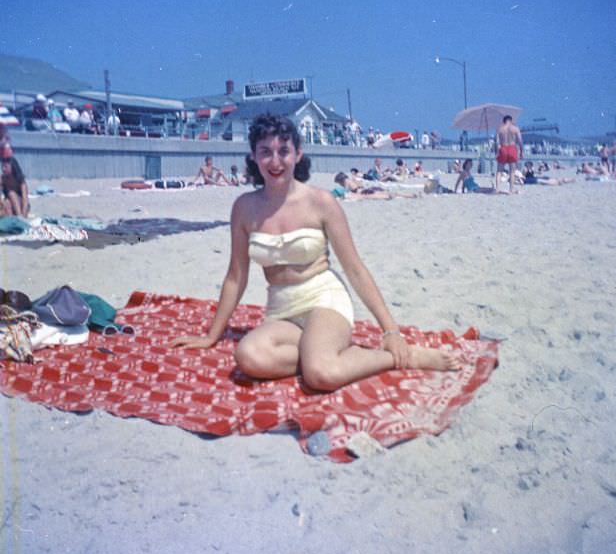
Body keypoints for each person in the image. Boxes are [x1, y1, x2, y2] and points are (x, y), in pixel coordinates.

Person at [171, 114, 459, 390]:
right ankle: (321, 352)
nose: (275, 161)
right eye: (265, 152)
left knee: (321, 375)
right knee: (248, 357)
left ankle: (401, 357)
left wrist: (391, 331)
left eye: (283, 151)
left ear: (298, 154)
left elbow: (355, 270)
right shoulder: (244, 208)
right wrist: (211, 335)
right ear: (253, 157)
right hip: (281, 311)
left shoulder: (321, 203)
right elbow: (236, 276)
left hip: (324, 301)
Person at [495, 115, 524, 193]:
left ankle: (497, 189)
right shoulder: (515, 128)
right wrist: (521, 151)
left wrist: (496, 152)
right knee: (512, 171)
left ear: (504, 121)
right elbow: (520, 141)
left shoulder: (500, 129)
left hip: (503, 148)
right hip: (512, 148)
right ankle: (511, 190)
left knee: (499, 171)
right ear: (511, 120)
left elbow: (497, 142)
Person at [1, 146, 29, 217]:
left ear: (13, 167)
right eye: (2, 167)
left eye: (5, 167)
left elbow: (25, 200)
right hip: (9, 204)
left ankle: (19, 217)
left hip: (21, 204)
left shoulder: (21, 181)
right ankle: (12, 220)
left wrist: (24, 214)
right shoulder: (3, 179)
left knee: (11, 193)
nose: (3, 169)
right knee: (7, 203)